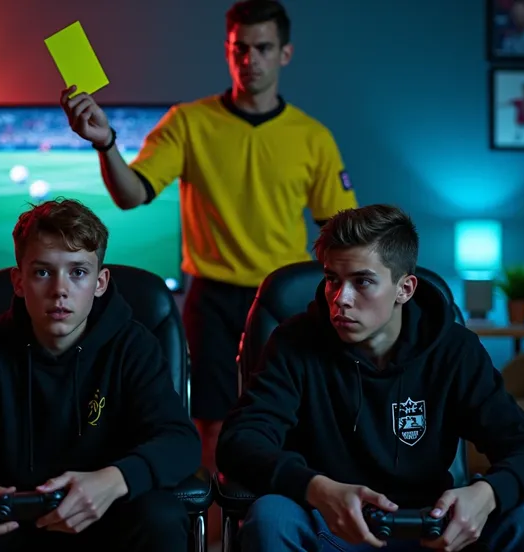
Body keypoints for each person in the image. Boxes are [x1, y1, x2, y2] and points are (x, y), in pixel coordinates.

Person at [59, 0, 358, 474]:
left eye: (263, 48)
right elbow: (131, 194)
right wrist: (107, 143)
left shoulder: (312, 137)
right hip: (213, 297)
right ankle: (216, 537)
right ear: (227, 50)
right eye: (241, 48)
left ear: (285, 53)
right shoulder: (188, 121)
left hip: (285, 300)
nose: (251, 59)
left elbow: (341, 231)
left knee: (292, 422)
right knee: (212, 427)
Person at [216, 204, 524, 551]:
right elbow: (241, 441)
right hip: (333, 525)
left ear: (405, 289)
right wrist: (316, 488)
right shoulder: (294, 342)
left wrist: (488, 493)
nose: (341, 299)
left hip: (434, 530)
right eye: (332, 280)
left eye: (362, 282)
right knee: (272, 517)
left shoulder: (455, 350)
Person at [0, 198, 201, 551]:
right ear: (18, 282)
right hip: (5, 522)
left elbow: (180, 441)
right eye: (42, 272)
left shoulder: (133, 346)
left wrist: (116, 479)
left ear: (100, 283)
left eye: (78, 272)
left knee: (160, 516)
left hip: (103, 515)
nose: (60, 290)